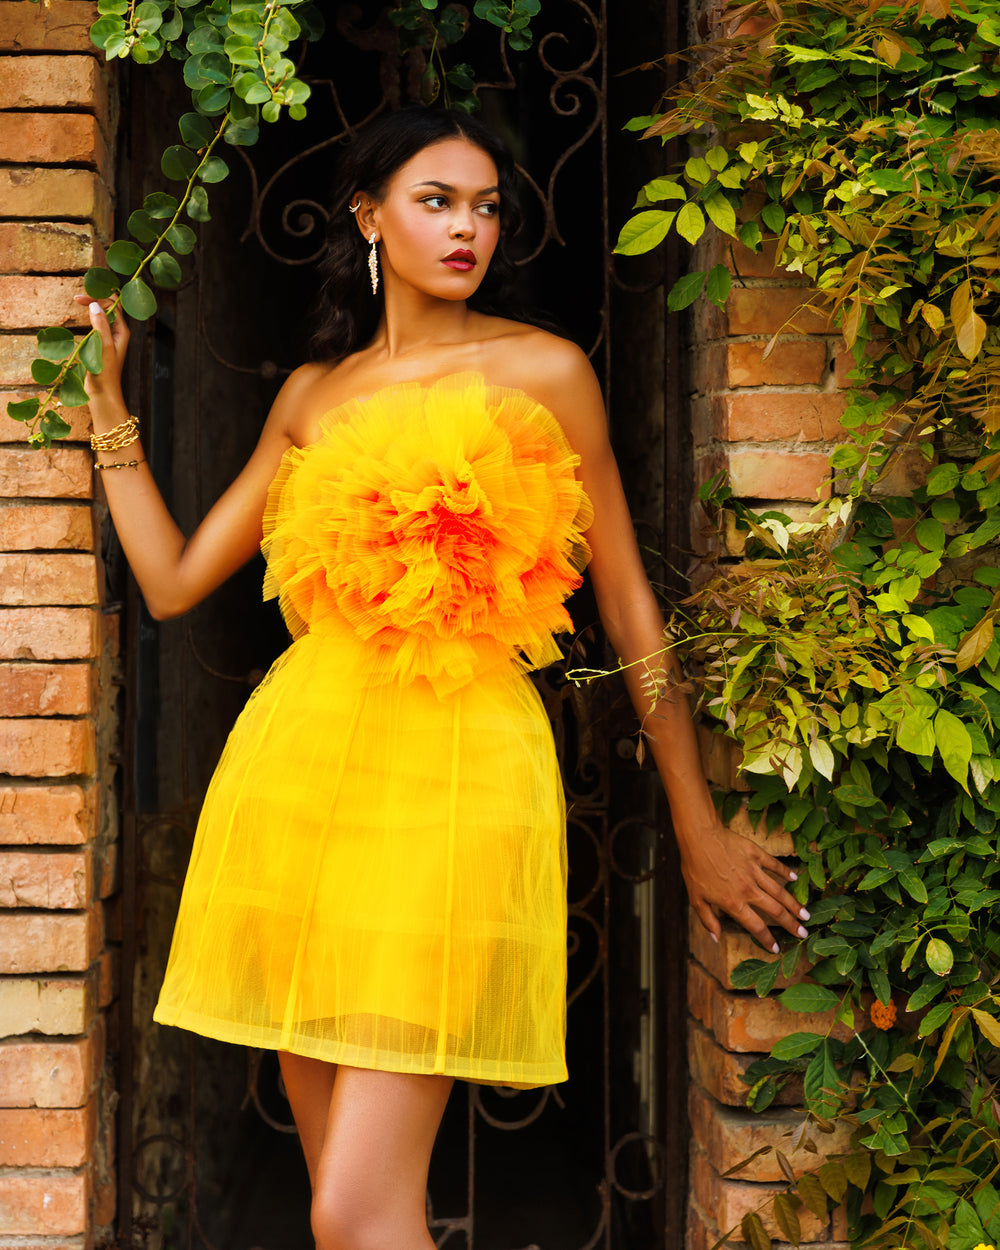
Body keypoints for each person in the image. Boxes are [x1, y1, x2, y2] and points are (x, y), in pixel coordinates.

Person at [76, 108, 809, 1250]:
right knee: (350, 1218)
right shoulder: (313, 394)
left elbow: (627, 609)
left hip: (459, 780)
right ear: (368, 214)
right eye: (437, 200)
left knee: (356, 1207)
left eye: (485, 206)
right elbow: (172, 582)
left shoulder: (544, 370)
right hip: (301, 784)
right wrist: (113, 420)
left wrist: (697, 826)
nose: (468, 227)